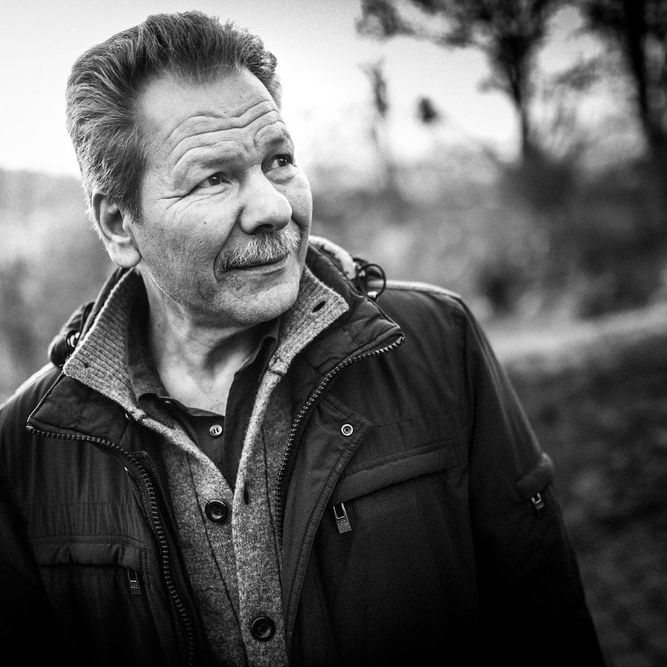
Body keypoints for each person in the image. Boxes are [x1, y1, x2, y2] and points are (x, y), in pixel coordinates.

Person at [0, 10, 603, 667]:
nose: (274, 208)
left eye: (279, 161)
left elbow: (546, 625)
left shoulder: (437, 342)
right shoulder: (24, 448)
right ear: (120, 225)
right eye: (213, 178)